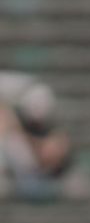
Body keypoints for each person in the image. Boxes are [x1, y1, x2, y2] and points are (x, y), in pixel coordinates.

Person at [0, 70, 81, 201]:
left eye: (56, 153)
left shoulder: (25, 161)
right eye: (59, 146)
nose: (54, 148)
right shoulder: (42, 117)